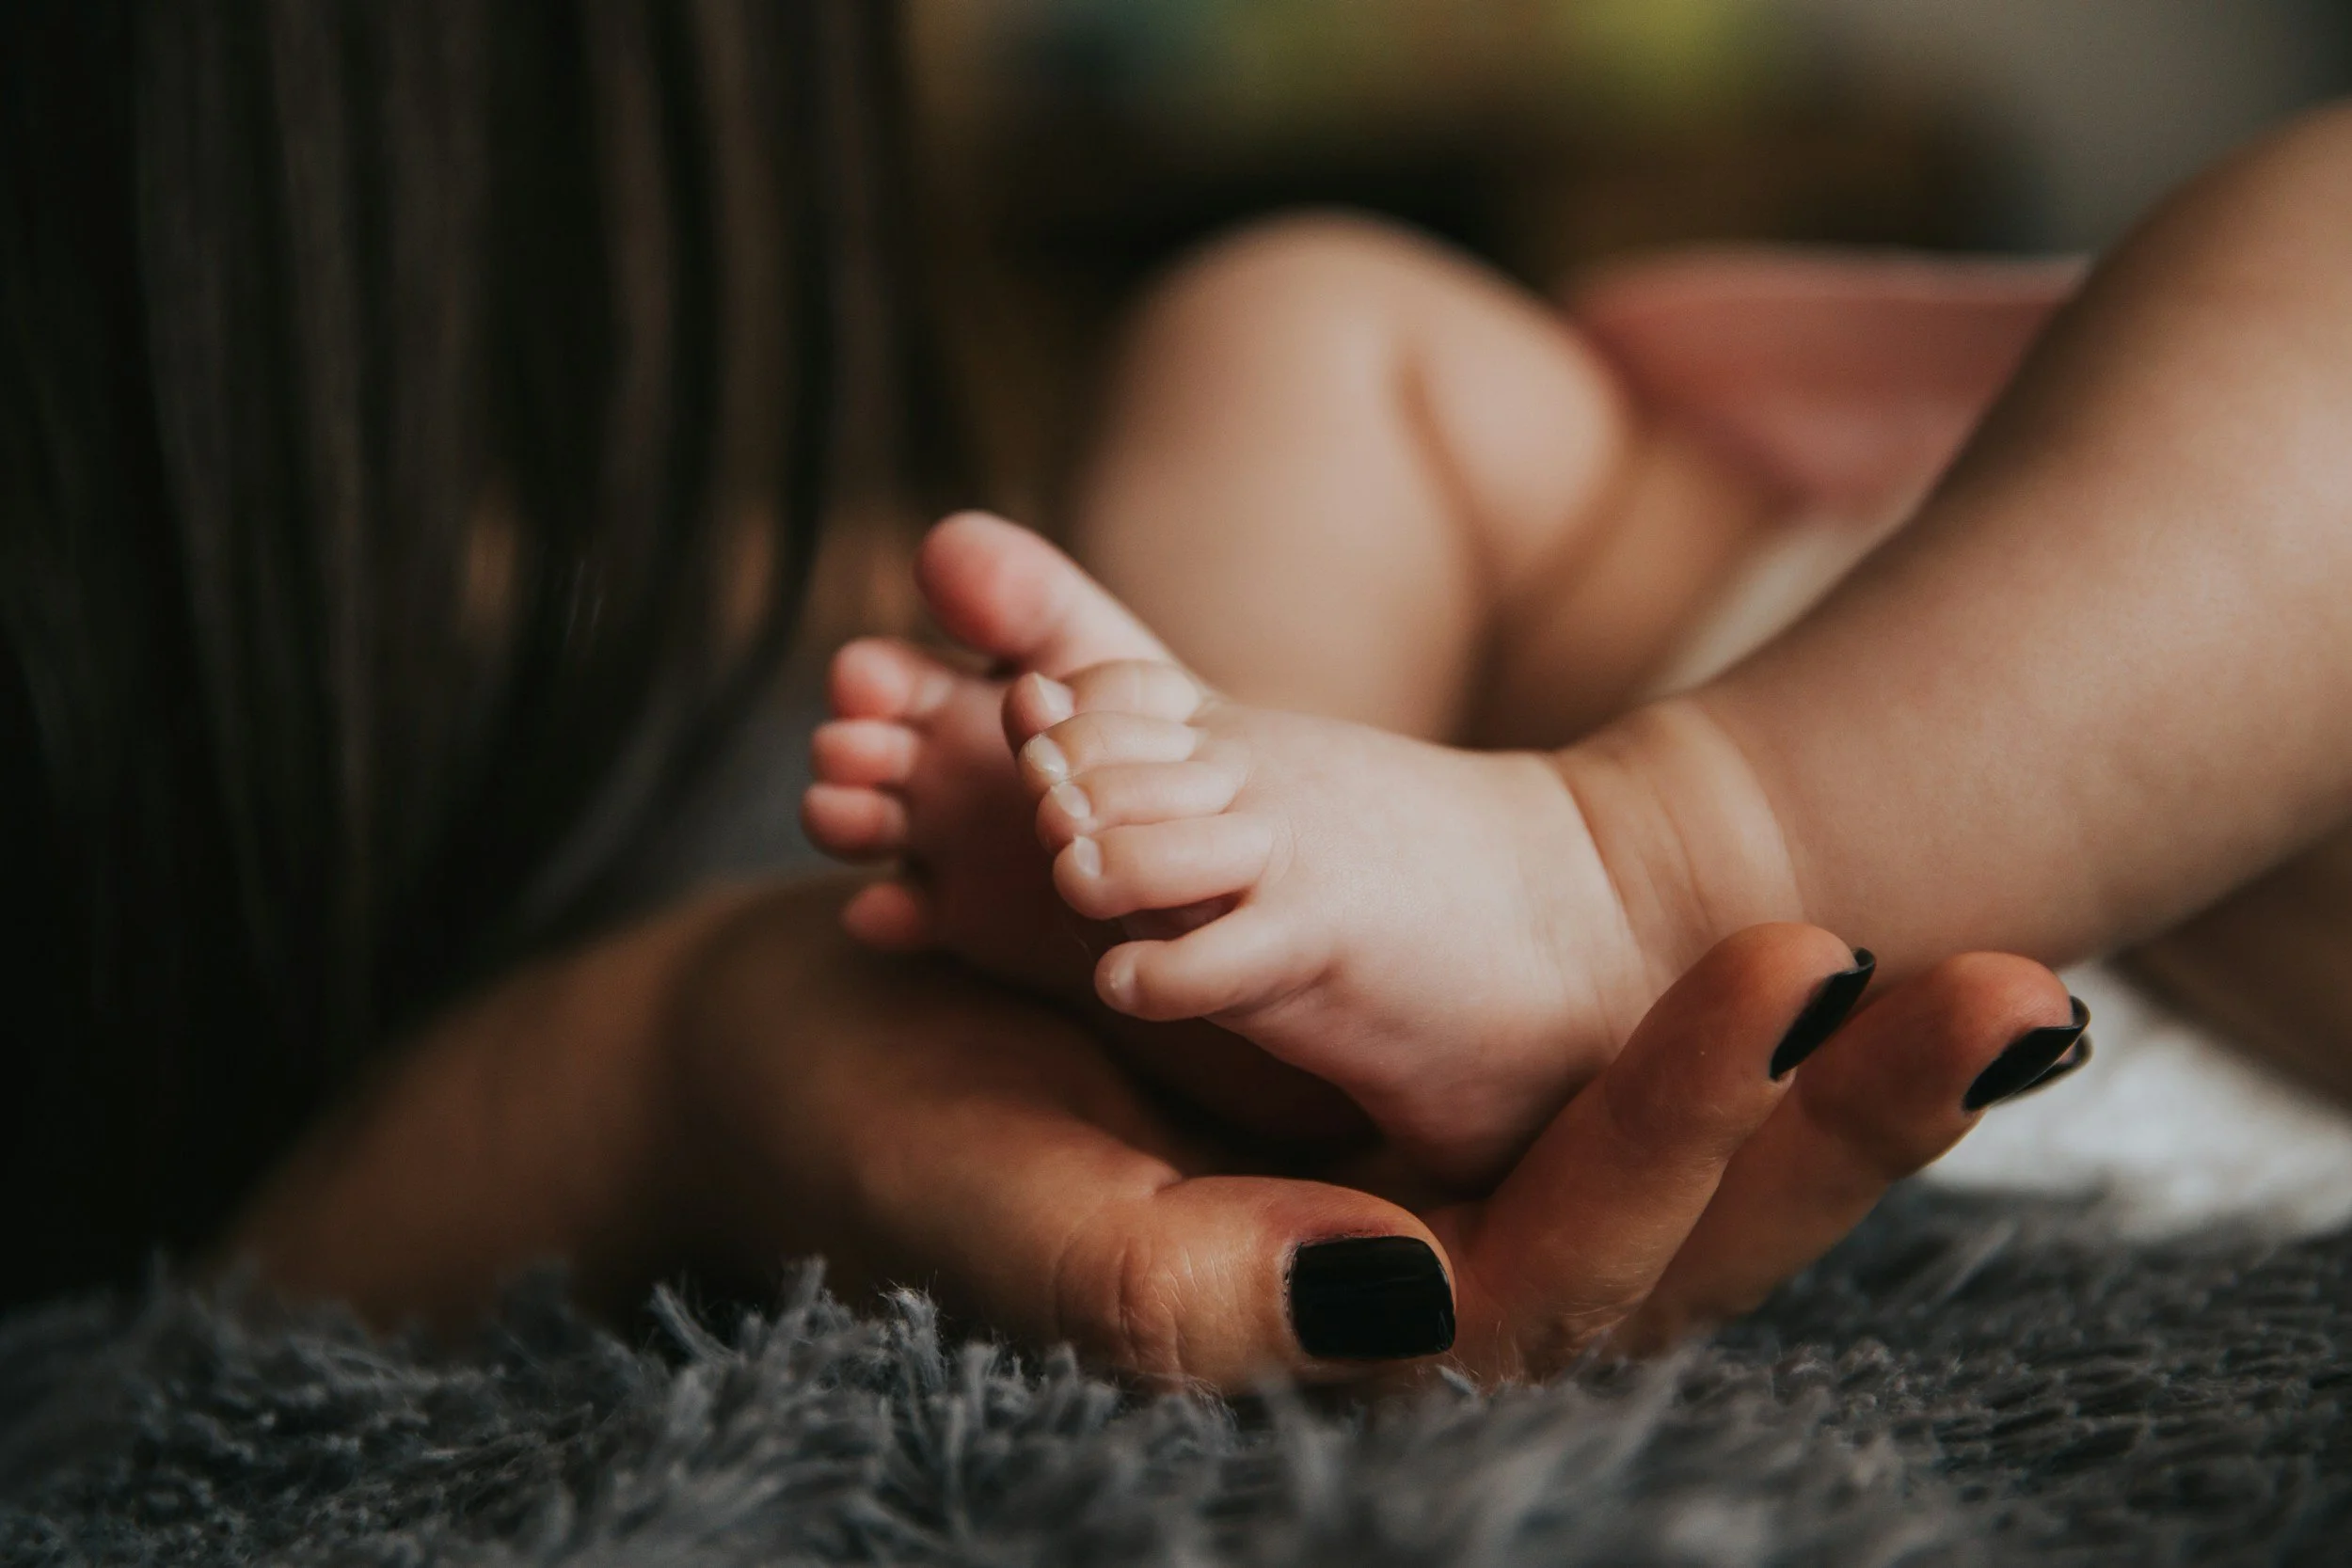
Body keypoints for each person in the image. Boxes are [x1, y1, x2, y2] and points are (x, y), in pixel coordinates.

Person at [4, 0, 2074, 1390]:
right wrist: (665, 1063)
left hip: (2090, 732)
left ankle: (1471, 889)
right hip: (1737, 587)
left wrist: (661, 1055)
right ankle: (1269, 912)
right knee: (1288, 311)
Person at [804, 104, 2352, 1196]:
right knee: (1304, 312)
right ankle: (1251, 927)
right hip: (1825, 619)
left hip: (2245, 925)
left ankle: (1630, 878)